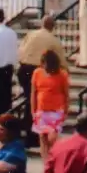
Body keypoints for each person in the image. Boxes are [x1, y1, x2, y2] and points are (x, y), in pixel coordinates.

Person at [18, 15, 67, 144]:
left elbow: (21, 49)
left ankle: (30, 130)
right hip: (37, 70)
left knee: (30, 100)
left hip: (24, 68)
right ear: (53, 27)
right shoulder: (53, 40)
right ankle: (32, 134)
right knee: (34, 102)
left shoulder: (31, 34)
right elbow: (60, 59)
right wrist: (66, 71)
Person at [30, 49, 71, 162]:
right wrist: (33, 111)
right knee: (43, 140)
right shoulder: (37, 73)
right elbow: (33, 93)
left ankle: (55, 162)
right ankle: (46, 167)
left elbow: (66, 94)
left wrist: (66, 111)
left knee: (52, 139)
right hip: (41, 110)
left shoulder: (62, 75)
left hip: (56, 111)